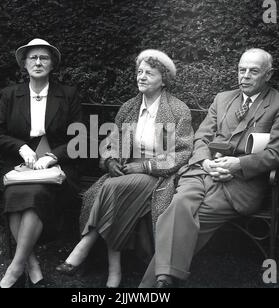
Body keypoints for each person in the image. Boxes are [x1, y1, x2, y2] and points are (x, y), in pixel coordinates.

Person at [139, 48, 279, 288]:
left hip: (240, 185)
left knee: (191, 221)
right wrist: (205, 161)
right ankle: (165, 280)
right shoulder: (222, 98)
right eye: (241, 70)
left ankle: (156, 284)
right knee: (178, 206)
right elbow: (201, 138)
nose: (244, 76)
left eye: (253, 71)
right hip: (202, 173)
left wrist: (238, 164)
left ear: (268, 74)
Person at [56, 49, 194, 288]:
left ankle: (85, 247)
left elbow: (182, 152)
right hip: (126, 172)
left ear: (164, 79)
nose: (141, 77)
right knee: (112, 189)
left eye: (149, 73)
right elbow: (113, 141)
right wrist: (110, 160)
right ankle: (114, 272)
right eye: (139, 72)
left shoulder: (178, 110)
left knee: (109, 188)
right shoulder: (129, 107)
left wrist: (147, 165)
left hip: (158, 175)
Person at [0, 38, 82, 288]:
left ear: (52, 65)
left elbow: (82, 137)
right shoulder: (10, 94)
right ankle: (31, 265)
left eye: (44, 58)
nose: (38, 62)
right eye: (33, 57)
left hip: (57, 170)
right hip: (21, 167)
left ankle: (16, 268)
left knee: (35, 194)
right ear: (24, 64)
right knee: (17, 194)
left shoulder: (68, 94)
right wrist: (20, 147)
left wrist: (53, 156)